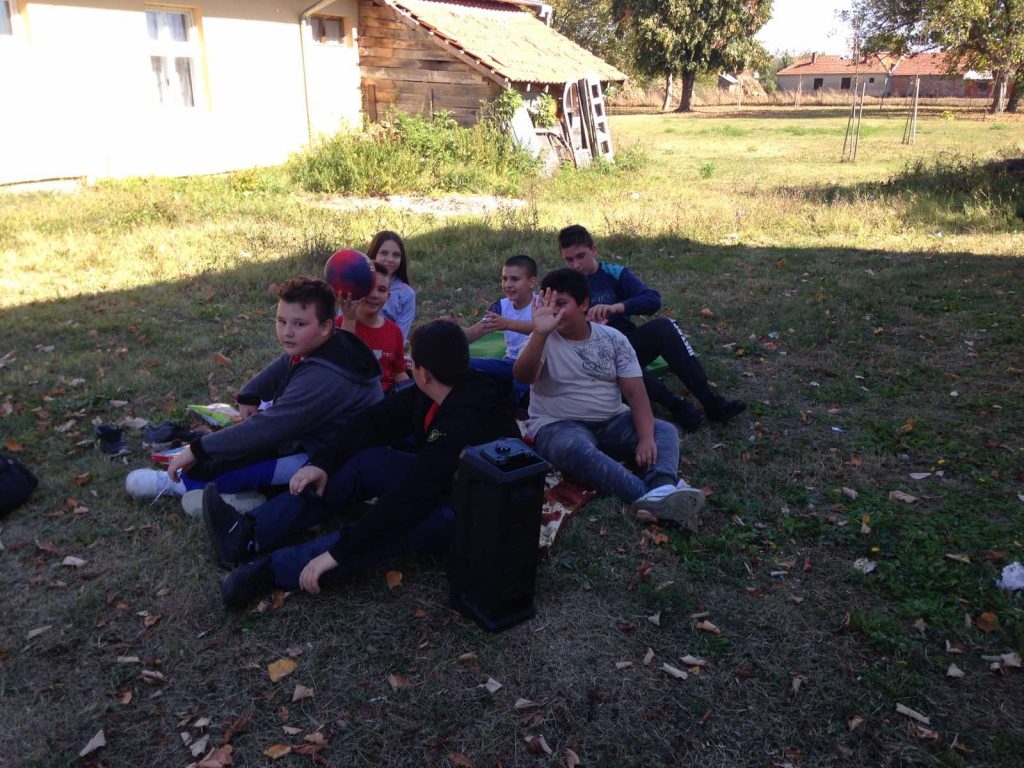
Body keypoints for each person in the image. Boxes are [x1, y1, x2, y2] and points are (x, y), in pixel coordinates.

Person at [204, 320, 521, 606]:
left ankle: (270, 572)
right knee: (367, 463)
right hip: (444, 481)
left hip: (471, 511)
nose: (408, 366)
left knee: (391, 527)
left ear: (423, 372)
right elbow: (372, 422)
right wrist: (322, 464)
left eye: (411, 361)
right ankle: (247, 533)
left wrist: (338, 553)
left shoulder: (467, 418)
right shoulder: (436, 389)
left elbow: (411, 498)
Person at [125, 278, 383, 499]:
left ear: (326, 326)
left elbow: (268, 428)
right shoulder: (329, 342)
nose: (287, 332)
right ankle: (247, 496)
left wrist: (198, 449)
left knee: (234, 464)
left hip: (329, 458)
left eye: (299, 324)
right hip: (313, 438)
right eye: (281, 321)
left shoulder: (322, 378)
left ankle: (180, 485)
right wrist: (252, 392)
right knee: (238, 450)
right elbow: (286, 363)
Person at [514, 268, 705, 528]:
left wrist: (646, 438)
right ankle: (651, 497)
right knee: (574, 448)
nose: (553, 312)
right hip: (557, 425)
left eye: (561, 303)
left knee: (664, 431)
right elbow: (524, 376)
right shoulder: (540, 339)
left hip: (612, 420)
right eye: (548, 304)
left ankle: (662, 485)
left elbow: (635, 392)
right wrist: (539, 333)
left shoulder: (613, 339)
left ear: (584, 303)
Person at [557, 224, 745, 431]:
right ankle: (676, 405)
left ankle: (710, 400)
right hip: (590, 354)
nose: (576, 265)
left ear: (594, 250)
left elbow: (652, 299)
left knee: (664, 327)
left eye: (581, 256)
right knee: (618, 362)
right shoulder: (564, 284)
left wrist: (616, 307)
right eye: (569, 260)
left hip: (626, 340)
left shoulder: (614, 273)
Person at [463, 254, 538, 400]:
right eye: (504, 279)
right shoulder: (501, 306)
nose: (508, 284)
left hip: (534, 367)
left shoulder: (541, 304)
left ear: (531, 282)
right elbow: (471, 334)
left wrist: (508, 324)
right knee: (464, 365)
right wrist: (448, 328)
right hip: (509, 363)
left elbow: (542, 329)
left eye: (514, 279)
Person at [335, 263, 409, 393]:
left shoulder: (394, 331)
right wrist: (349, 320)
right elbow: (340, 367)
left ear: (388, 295)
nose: (374, 295)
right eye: (368, 287)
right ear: (356, 290)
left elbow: (398, 373)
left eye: (382, 290)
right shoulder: (337, 325)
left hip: (385, 399)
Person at [368, 230, 416, 340]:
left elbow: (400, 337)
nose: (390, 260)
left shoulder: (407, 294)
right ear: (374, 254)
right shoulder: (355, 282)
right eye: (384, 253)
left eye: (396, 255)